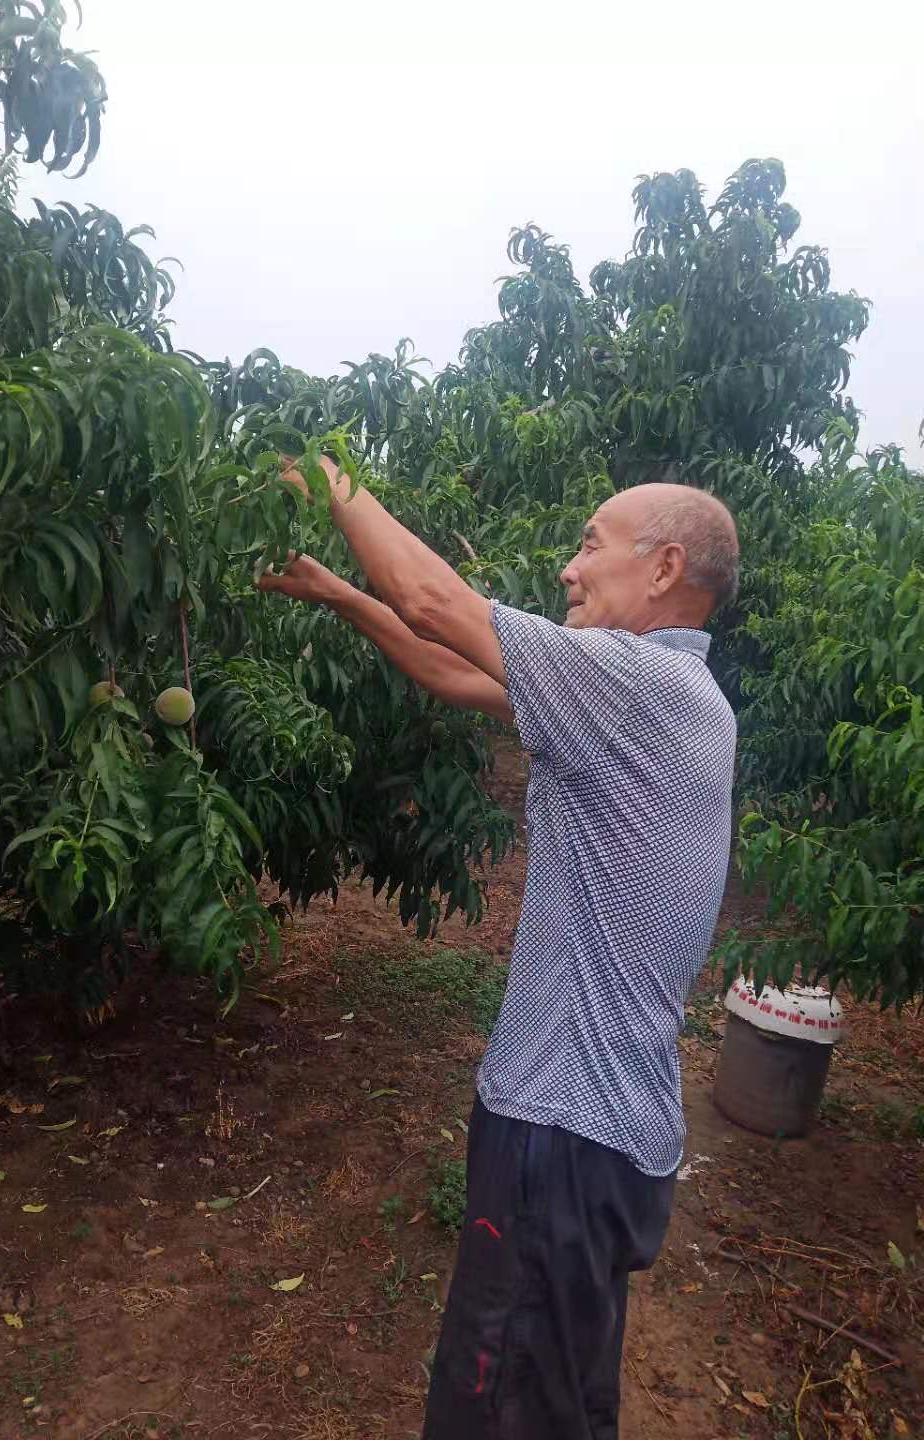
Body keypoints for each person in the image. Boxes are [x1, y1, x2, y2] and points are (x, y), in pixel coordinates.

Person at [257, 456, 739, 1440]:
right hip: (605, 1137)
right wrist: (341, 592)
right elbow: (444, 664)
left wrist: (323, 472)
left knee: (496, 1410)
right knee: (557, 1400)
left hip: (562, 1136)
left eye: (592, 545)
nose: (569, 567)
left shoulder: (637, 685)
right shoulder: (663, 700)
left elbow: (437, 602)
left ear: (664, 569)